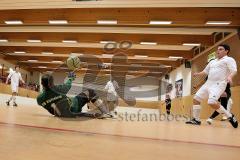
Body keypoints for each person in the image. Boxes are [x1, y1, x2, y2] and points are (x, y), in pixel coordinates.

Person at [186, 44, 238, 128]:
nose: (218, 51)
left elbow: (234, 70)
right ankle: (196, 120)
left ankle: (229, 116)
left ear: (226, 51)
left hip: (218, 84)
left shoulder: (229, 59)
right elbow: (205, 71)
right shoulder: (212, 61)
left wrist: (230, 77)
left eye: (221, 49)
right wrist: (198, 74)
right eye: (217, 49)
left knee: (211, 102)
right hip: (208, 84)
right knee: (196, 99)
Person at [37, 73, 112, 118]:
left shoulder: (39, 99)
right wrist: (71, 78)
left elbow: (46, 99)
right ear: (52, 83)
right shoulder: (60, 88)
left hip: (61, 114)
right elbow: (68, 84)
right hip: (74, 106)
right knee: (90, 92)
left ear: (42, 83)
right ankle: (106, 112)